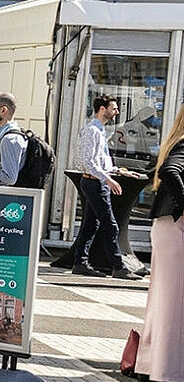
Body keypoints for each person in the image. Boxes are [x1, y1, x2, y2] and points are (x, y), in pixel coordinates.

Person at [134, 112, 184, 382]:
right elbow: (169, 171)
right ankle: (168, 372)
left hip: (167, 227)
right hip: (176, 228)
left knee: (163, 299)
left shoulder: (174, 142)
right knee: (174, 301)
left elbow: (159, 171)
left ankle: (150, 365)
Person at [73, 94, 142, 279]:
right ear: (102, 109)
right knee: (110, 225)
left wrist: (120, 171)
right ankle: (118, 267)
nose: (117, 112)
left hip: (96, 181)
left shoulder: (100, 130)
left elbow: (99, 161)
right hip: (94, 182)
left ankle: (80, 263)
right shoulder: (92, 131)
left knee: (90, 225)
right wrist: (108, 179)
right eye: (114, 108)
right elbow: (88, 162)